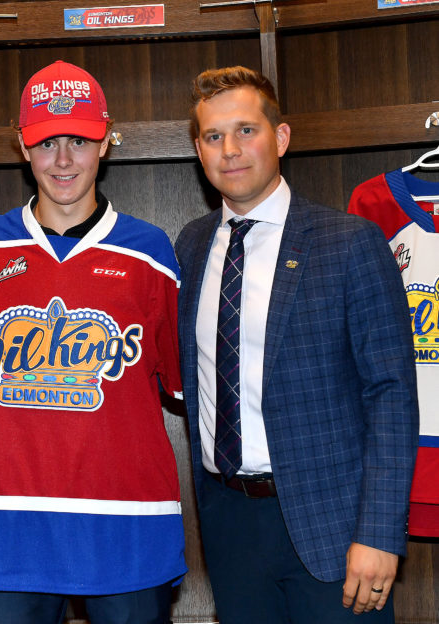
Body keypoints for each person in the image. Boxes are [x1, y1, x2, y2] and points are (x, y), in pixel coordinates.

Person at [174, 65, 419, 624]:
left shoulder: (350, 242)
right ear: (198, 150)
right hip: (230, 525)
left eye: (246, 130)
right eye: (213, 136)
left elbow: (391, 394)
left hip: (335, 527)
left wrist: (380, 533)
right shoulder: (190, 246)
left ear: (280, 137)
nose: (230, 150)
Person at [0, 60, 186, 623]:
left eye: (78, 141)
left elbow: (182, 387)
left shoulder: (150, 253)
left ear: (105, 141)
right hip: (8, 523)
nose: (62, 160)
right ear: (22, 145)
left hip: (126, 521)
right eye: (46, 142)